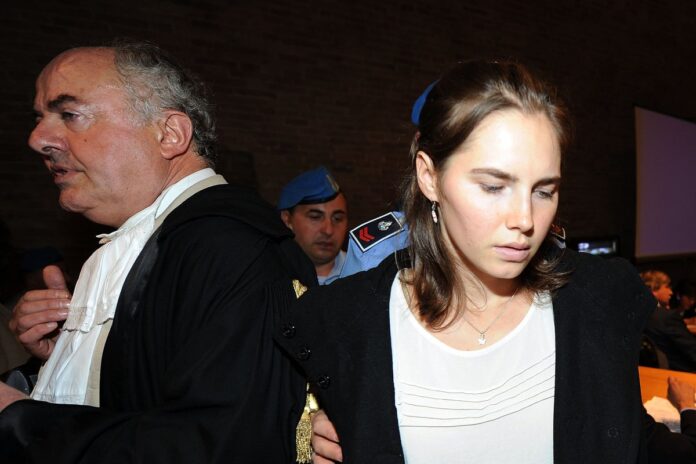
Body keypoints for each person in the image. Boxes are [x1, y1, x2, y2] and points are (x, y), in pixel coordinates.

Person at [275, 60, 695, 463]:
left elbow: (628, 438)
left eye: (544, 191)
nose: (525, 219)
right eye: (494, 187)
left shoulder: (598, 303)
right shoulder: (348, 322)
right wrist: (311, 430)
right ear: (429, 176)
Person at [0, 41, 314, 463]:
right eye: (39, 118)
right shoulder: (149, 239)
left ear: (169, 134)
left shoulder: (227, 248)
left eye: (70, 114)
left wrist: (18, 419)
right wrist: (74, 358)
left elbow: (216, 448)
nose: (38, 139)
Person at [278, 166, 348, 285]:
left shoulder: (365, 273)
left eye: (337, 219)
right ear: (287, 220)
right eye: (315, 217)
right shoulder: (268, 276)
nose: (328, 230)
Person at [642, 270, 696, 372]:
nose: (671, 292)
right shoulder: (667, 317)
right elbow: (692, 349)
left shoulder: (635, 316)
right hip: (681, 374)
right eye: (667, 287)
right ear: (653, 289)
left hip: (647, 373)